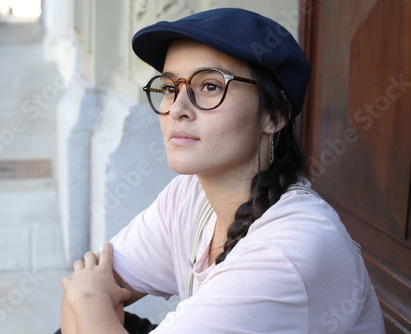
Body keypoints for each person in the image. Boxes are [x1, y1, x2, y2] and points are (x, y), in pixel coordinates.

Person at [57, 8, 385, 334]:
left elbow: (83, 291)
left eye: (210, 86)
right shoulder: (188, 193)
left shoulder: (288, 250)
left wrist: (87, 297)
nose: (178, 109)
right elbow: (85, 284)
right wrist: (85, 295)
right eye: (170, 87)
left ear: (275, 114)